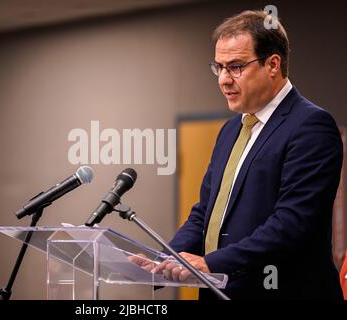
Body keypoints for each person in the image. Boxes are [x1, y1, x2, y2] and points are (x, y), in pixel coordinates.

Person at [135, 10, 344, 300]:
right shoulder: (231, 130)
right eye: (218, 67)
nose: (223, 79)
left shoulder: (311, 126)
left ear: (273, 64)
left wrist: (212, 263)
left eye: (235, 67)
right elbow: (205, 214)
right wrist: (167, 259)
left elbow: (292, 223)